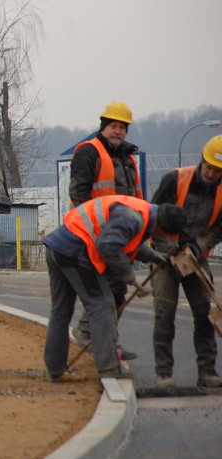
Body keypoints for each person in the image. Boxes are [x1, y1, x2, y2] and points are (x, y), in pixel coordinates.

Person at [43, 195, 187, 381]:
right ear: (161, 227)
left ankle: (54, 370)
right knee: (102, 305)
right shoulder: (133, 218)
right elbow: (108, 245)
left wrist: (153, 256)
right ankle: (109, 369)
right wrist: (129, 275)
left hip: (57, 246)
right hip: (75, 250)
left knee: (60, 311)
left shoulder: (140, 212)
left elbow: (126, 240)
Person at [70, 101, 143, 359]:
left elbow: (137, 198)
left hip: (120, 236)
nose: (119, 131)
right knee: (104, 292)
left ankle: (106, 341)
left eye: (123, 127)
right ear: (103, 127)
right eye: (113, 126)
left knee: (116, 291)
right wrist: (94, 232)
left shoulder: (127, 159)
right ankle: (93, 337)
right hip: (94, 235)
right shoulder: (89, 152)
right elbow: (79, 195)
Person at [149, 136, 222, 388]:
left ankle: (207, 371)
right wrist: (168, 249)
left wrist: (198, 247)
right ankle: (163, 373)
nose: (211, 174)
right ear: (202, 160)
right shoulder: (175, 179)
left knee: (205, 314)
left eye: (217, 171)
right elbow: (152, 216)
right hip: (165, 254)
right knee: (164, 313)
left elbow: (219, 229)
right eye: (208, 167)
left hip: (197, 257)